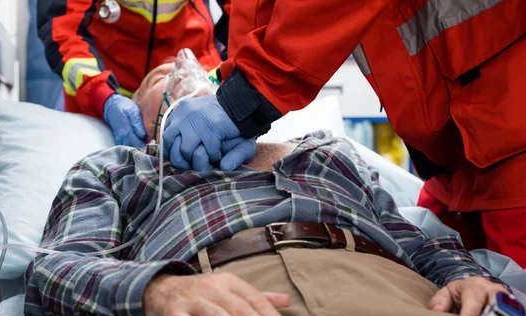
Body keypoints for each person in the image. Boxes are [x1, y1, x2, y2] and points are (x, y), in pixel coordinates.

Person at [24, 122, 526, 316]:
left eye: (210, 72)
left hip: (400, 301)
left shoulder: (329, 154)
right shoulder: (116, 167)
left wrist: (468, 276)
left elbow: (418, 241)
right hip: (221, 315)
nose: (185, 72)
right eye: (162, 76)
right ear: (141, 112)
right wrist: (160, 290)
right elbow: (52, 274)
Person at [162, 0, 526, 269]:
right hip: (456, 160)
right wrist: (236, 91)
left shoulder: (324, 155)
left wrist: (242, 101)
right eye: (159, 84)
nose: (180, 77)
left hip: (510, 127)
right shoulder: (128, 168)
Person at [37, 0, 221, 147]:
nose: (181, 67)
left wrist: (228, 81)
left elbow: (245, 23)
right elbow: (62, 29)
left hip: (204, 60)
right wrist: (103, 95)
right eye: (164, 78)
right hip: (103, 93)